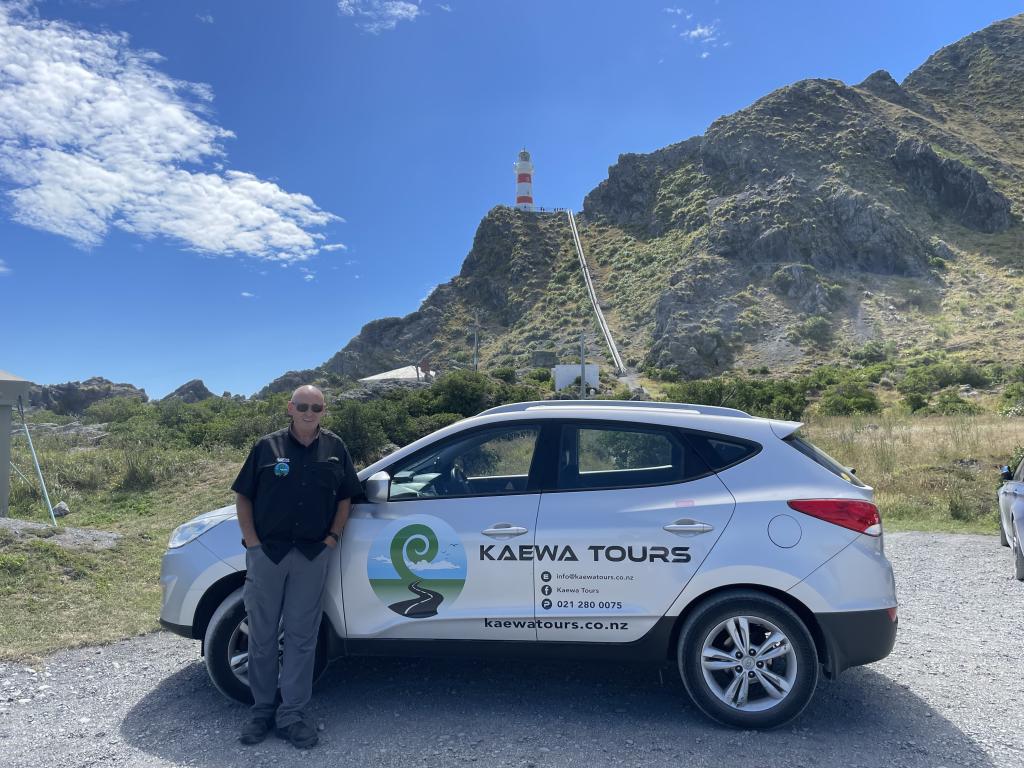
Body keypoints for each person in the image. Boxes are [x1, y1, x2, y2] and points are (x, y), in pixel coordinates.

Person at [231, 385, 361, 749]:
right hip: (267, 554)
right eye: (302, 406)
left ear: (323, 411)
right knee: (262, 636)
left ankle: (293, 715)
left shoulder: (335, 449)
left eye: (316, 407)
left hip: (310, 556)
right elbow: (244, 495)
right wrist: (253, 544)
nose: (308, 412)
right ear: (290, 408)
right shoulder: (266, 447)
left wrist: (332, 539)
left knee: (303, 639)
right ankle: (261, 711)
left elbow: (346, 497)